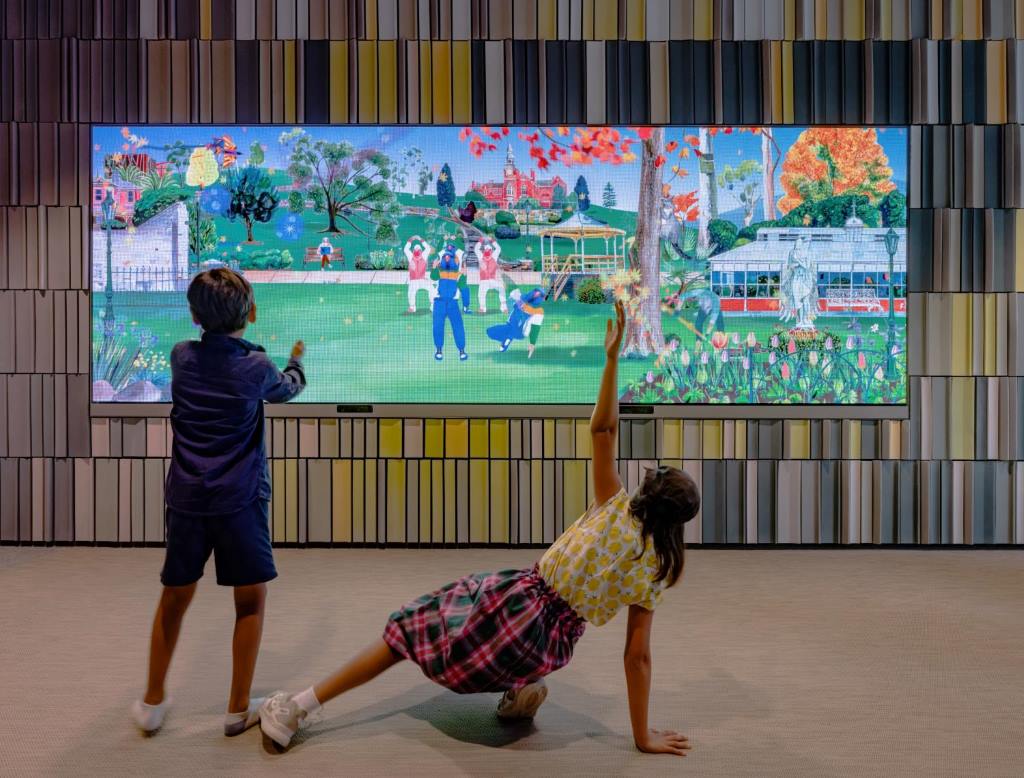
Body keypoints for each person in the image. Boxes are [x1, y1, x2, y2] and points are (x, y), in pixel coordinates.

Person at [260, 301, 699, 757]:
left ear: (648, 492)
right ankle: (523, 685)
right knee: (524, 645)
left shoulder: (614, 507)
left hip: (516, 604)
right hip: (550, 646)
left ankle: (297, 708)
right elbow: (637, 657)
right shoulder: (655, 572)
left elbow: (603, 431)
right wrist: (642, 737)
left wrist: (610, 360)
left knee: (406, 630)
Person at [132, 268, 307, 737]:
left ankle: (152, 700)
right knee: (249, 602)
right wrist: (294, 361)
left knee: (174, 597)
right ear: (250, 313)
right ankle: (236, 709)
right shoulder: (257, 366)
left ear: (194, 316)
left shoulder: (181, 356)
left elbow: (221, 355)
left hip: (187, 498)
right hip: (240, 499)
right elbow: (286, 388)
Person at [430, 244, 469, 361]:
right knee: (437, 326)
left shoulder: (458, 274)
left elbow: (463, 287)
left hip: (453, 303)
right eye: (445, 257)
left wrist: (464, 276)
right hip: (439, 303)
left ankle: (462, 351)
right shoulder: (438, 271)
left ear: (453, 259)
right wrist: (434, 267)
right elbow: (433, 277)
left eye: (449, 257)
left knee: (458, 326)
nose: (447, 258)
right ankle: (439, 350)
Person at [486, 284, 544, 356]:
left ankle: (508, 338)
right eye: (536, 292)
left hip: (521, 332)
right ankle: (507, 338)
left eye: (539, 294)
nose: (536, 294)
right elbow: (513, 291)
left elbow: (535, 328)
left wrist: (532, 343)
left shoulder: (538, 311)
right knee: (490, 332)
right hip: (510, 326)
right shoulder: (521, 297)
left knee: (513, 327)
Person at [403, 235, 435, 313]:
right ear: (413, 250)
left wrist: (421, 239)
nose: (417, 250)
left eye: (418, 249)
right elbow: (406, 249)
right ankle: (412, 307)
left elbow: (428, 248)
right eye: (415, 249)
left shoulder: (424, 256)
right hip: (413, 281)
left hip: (422, 279)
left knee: (432, 289)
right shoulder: (410, 256)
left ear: (421, 250)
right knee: (411, 292)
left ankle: (433, 305)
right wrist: (410, 239)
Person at [474, 238, 507, 314]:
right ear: (484, 251)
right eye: (486, 250)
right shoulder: (480, 256)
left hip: (493, 280)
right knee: (481, 294)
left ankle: (504, 308)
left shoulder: (494, 256)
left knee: (502, 288)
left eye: (489, 250)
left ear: (491, 251)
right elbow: (476, 249)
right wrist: (481, 240)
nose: (487, 251)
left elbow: (498, 248)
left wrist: (492, 240)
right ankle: (482, 308)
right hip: (483, 281)